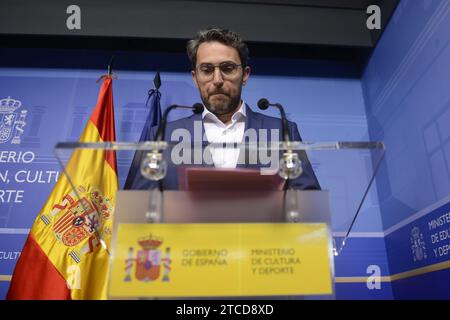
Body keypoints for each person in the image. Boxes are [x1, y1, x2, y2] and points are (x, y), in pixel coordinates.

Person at [125, 27, 320, 191]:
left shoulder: (283, 132)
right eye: (207, 70)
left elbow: (308, 207)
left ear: (245, 74)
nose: (217, 80)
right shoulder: (161, 136)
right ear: (195, 78)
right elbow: (140, 212)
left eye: (227, 68)